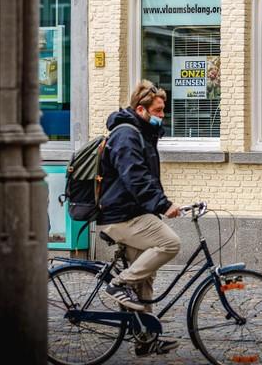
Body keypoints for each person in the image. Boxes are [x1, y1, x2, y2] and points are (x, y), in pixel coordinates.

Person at [98, 80, 181, 356]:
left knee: (144, 277)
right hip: (120, 215)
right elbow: (134, 177)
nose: (162, 116)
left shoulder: (142, 133)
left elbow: (146, 176)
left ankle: (145, 338)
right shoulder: (126, 134)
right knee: (170, 243)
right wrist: (163, 204)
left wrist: (158, 203)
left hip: (133, 212)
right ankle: (118, 284)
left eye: (163, 110)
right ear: (141, 109)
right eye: (157, 111)